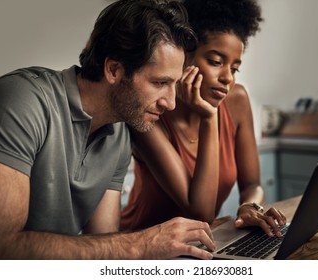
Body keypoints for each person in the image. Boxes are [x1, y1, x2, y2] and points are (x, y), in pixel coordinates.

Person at [0, 0, 216, 260]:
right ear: (114, 69)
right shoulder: (21, 101)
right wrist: (142, 243)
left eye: (174, 85)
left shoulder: (119, 135)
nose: (170, 103)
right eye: (160, 82)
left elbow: (104, 246)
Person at [121, 0, 287, 237]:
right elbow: (200, 213)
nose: (227, 77)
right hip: (142, 246)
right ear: (184, 57)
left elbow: (252, 184)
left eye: (235, 68)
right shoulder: (150, 112)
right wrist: (210, 117)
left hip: (197, 243)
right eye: (216, 62)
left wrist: (250, 206)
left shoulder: (237, 100)